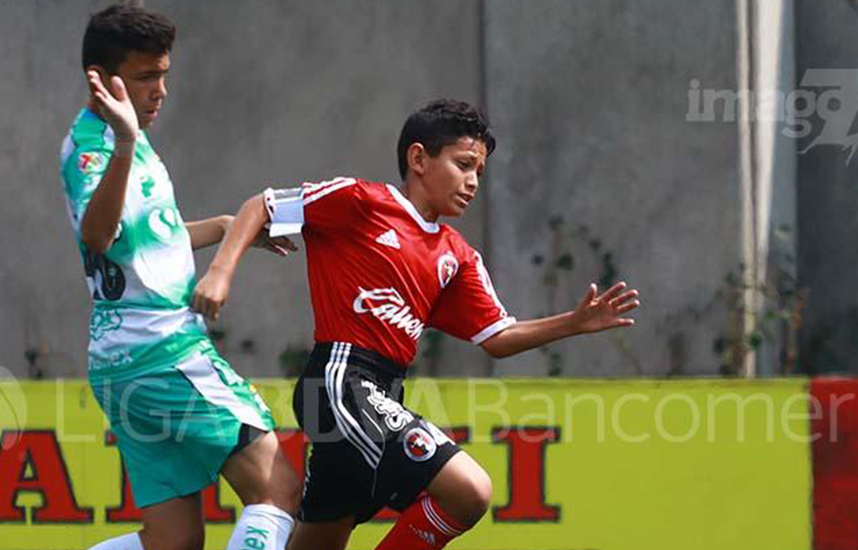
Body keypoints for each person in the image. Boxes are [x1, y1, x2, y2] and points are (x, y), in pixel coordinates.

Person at [191, 99, 640, 550]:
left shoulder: (457, 255)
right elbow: (261, 207)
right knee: (470, 491)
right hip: (341, 381)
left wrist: (575, 322)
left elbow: (497, 337)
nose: (472, 182)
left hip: (384, 392)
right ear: (419, 158)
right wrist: (220, 272)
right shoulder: (362, 201)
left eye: (479, 173)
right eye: (464, 164)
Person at [59, 5, 301, 550]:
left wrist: (219, 227)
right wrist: (123, 142)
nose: (161, 90)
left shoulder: (131, 138)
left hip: (125, 362)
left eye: (164, 74)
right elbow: (96, 235)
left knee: (174, 543)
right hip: (162, 354)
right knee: (280, 490)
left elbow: (135, 242)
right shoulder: (97, 148)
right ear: (100, 79)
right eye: (147, 77)